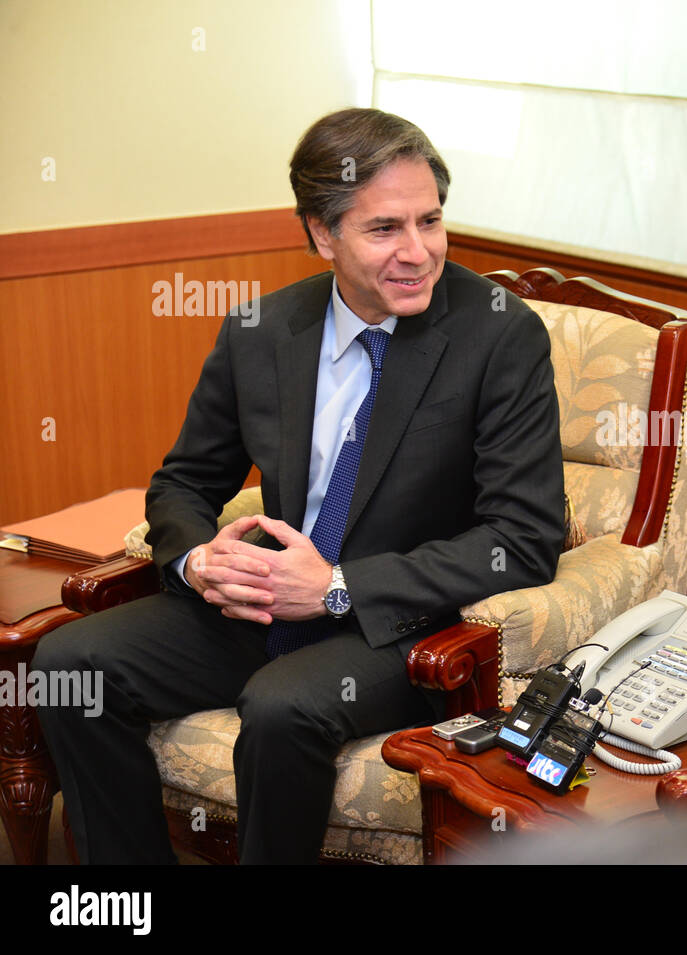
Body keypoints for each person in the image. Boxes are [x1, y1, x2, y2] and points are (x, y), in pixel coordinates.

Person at [34, 108, 566, 863]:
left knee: (281, 706)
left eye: (431, 221)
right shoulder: (261, 330)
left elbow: (524, 538)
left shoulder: (499, 336)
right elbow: (184, 480)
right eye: (385, 229)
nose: (419, 252)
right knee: (70, 662)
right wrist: (199, 562)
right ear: (321, 234)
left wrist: (339, 585)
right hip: (261, 605)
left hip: (396, 625)